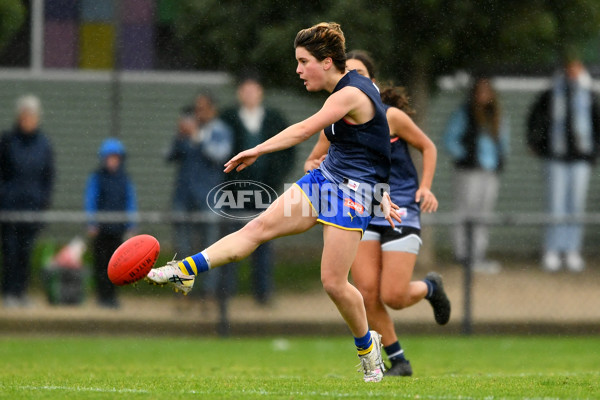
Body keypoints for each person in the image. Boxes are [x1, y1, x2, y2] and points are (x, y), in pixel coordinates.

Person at [146, 22, 402, 382]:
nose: (298, 70)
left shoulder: (350, 94)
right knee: (257, 227)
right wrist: (384, 187)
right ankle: (186, 270)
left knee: (332, 282)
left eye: (303, 61)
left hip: (353, 196)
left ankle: (367, 347)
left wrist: (255, 148)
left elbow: (304, 130)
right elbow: (372, 141)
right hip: (324, 181)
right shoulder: (351, 87)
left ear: (327, 62)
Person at [304, 50, 450, 377]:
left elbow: (428, 146)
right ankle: (398, 359)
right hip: (361, 206)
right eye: (347, 74)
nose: (351, 82)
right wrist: (323, 174)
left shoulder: (391, 116)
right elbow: (312, 160)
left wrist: (425, 187)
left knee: (394, 295)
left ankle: (430, 287)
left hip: (399, 207)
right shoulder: (336, 118)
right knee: (366, 291)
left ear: (372, 81)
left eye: (358, 74)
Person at [220, 74, 293, 305]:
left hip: (265, 194)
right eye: (246, 89)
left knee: (263, 242)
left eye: (255, 89)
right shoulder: (228, 119)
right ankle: (226, 296)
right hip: (234, 194)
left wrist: (275, 177)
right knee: (230, 241)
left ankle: (263, 294)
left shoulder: (274, 119)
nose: (250, 94)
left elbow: (287, 152)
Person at [527, 57, 600, 273]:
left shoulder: (589, 93)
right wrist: (537, 144)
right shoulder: (551, 94)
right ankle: (552, 249)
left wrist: (594, 151)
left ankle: (571, 250)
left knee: (575, 206)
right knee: (555, 205)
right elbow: (535, 119)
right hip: (555, 157)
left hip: (580, 159)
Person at [166, 96, 233, 297]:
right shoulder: (187, 131)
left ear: (213, 110)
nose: (199, 113)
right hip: (183, 197)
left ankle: (209, 292)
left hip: (209, 198)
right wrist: (179, 137)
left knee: (211, 249)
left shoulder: (220, 131)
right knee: (183, 248)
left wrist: (197, 137)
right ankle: (184, 292)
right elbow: (168, 156)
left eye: (203, 109)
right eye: (197, 109)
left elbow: (220, 156)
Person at [443, 77, 510, 274]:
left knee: (484, 213)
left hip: (489, 171)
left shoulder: (497, 116)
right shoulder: (464, 114)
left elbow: (503, 142)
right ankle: (463, 254)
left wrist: (500, 159)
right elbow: (450, 140)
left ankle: (478, 254)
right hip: (468, 170)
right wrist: (466, 155)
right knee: (465, 211)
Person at [0, 95, 55, 308]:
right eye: (24, 115)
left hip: (33, 209)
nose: (28, 119)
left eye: (32, 115)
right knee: (10, 252)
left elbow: (48, 176)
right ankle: (9, 293)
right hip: (9, 209)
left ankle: (21, 292)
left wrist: (43, 200)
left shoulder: (44, 145)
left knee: (25, 252)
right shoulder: (7, 141)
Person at [85, 138, 138, 308]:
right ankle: (102, 296)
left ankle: (112, 297)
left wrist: (131, 224)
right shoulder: (97, 178)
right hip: (101, 230)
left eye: (116, 157)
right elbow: (90, 200)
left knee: (117, 266)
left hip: (118, 230)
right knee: (101, 264)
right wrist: (91, 222)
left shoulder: (124, 179)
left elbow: (130, 202)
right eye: (110, 157)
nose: (113, 161)